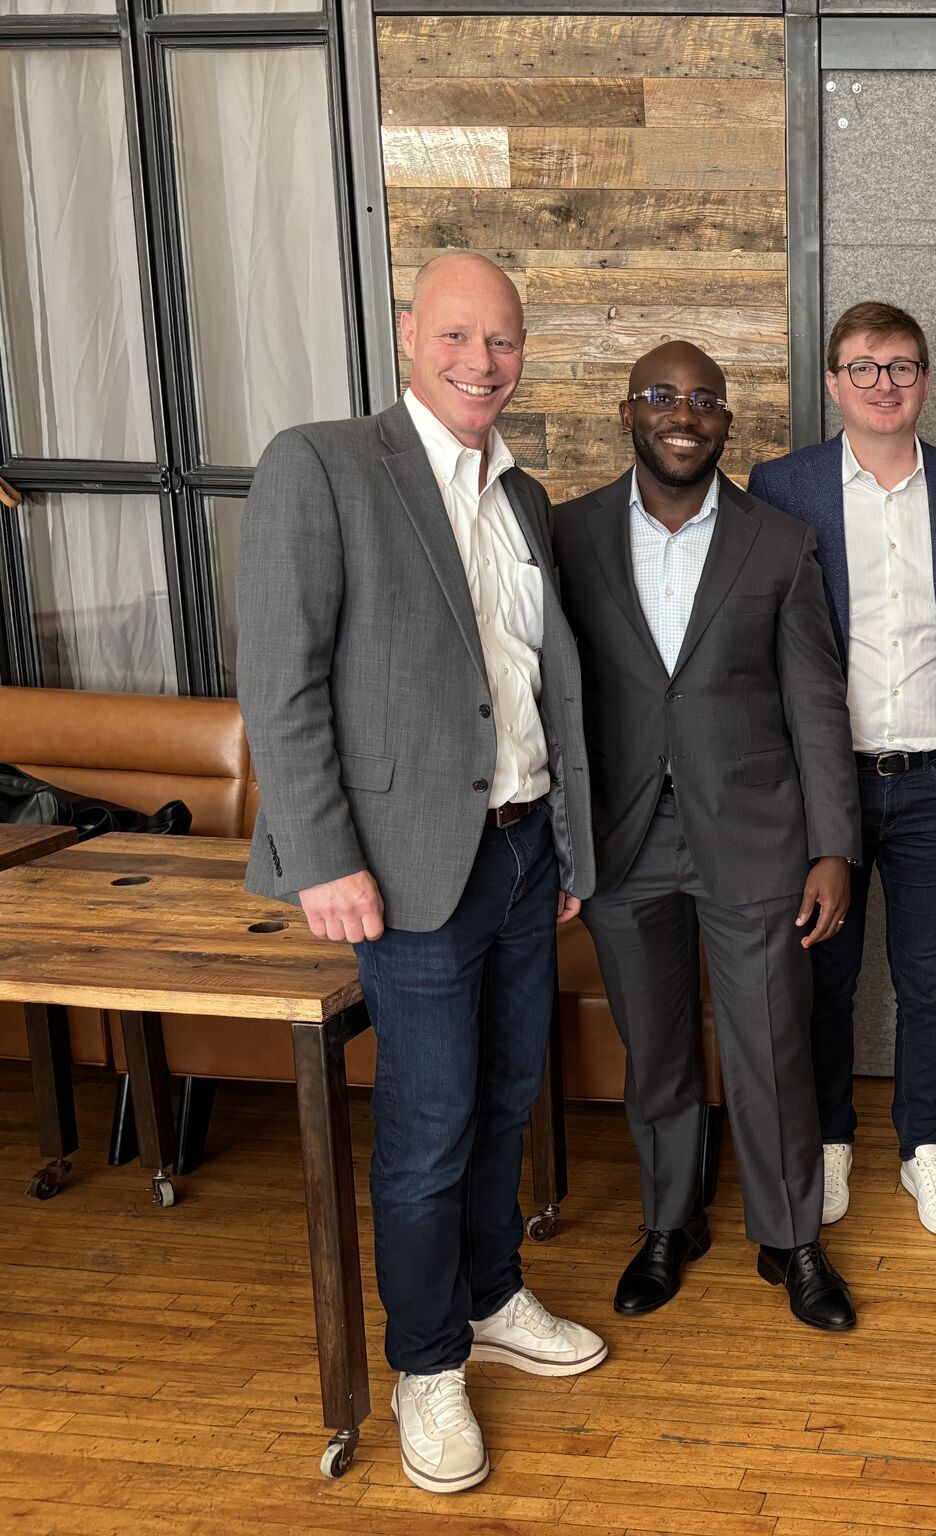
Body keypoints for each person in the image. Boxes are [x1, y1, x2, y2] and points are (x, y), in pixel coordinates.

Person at [238, 251, 602, 1495]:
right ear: (408, 335)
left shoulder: (525, 495)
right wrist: (322, 855)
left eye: (501, 341)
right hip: (399, 871)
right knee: (428, 1124)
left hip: (516, 848)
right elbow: (281, 682)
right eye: (456, 336)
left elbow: (537, 682)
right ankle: (425, 1363)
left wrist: (564, 845)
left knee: (506, 1098)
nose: (479, 362)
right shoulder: (324, 464)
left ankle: (493, 1293)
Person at [552, 340, 862, 1332]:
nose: (682, 413)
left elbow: (817, 704)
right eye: (661, 396)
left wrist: (832, 847)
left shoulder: (779, 543)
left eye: (702, 400)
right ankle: (668, 1220)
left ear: (727, 423)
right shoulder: (569, 537)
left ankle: (791, 1238)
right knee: (655, 1051)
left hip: (757, 838)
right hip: (622, 840)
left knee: (771, 1047)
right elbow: (552, 700)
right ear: (626, 411)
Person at [748, 302, 936, 1239]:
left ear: (925, 380)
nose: (884, 383)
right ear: (833, 383)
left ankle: (922, 1146)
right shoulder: (783, 486)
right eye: (864, 368)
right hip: (832, 789)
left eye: (901, 366)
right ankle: (831, 1142)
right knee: (827, 975)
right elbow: (769, 637)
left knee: (927, 974)